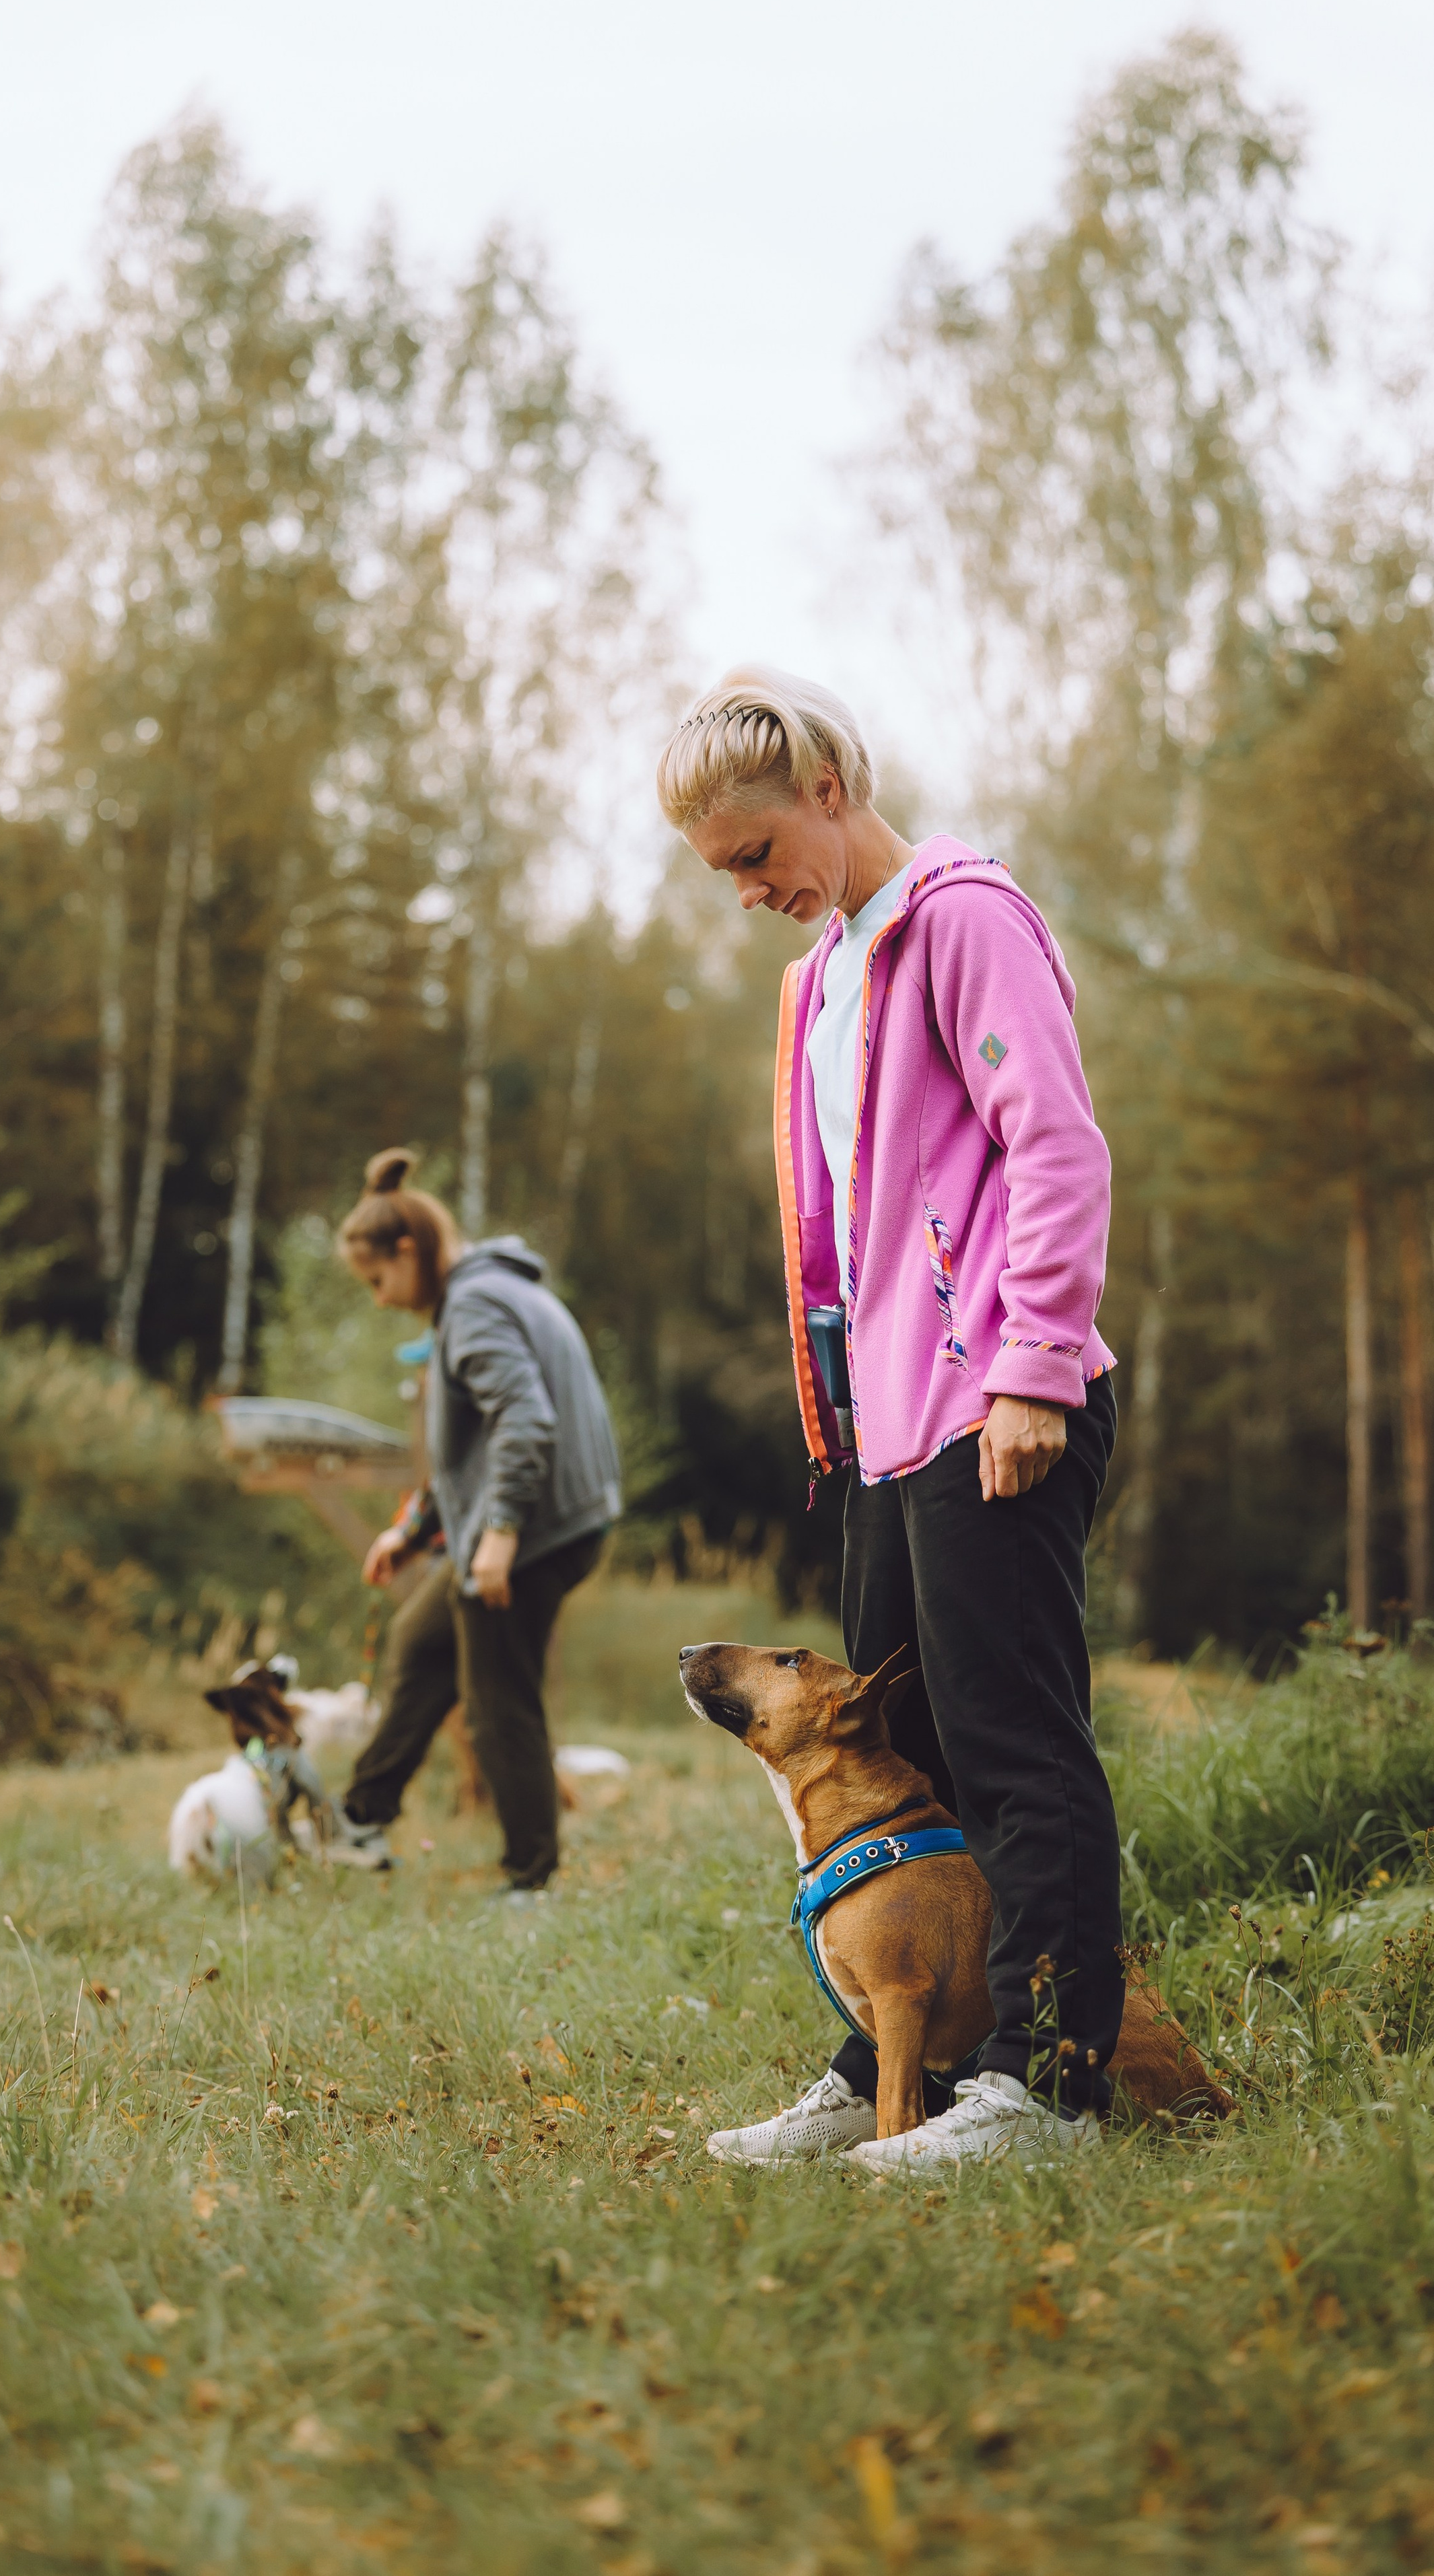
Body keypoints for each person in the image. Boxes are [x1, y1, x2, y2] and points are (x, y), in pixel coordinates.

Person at [658, 668, 1120, 2173]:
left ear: (826, 791)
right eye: (720, 872)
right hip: (882, 1431)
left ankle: (1048, 2083)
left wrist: (1034, 1365)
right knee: (903, 1754)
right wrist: (840, 1418)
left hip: (999, 1402)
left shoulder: (964, 920)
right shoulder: (824, 974)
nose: (745, 894)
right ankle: (889, 2064)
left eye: (750, 855)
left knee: (1013, 1746)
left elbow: (1050, 1144)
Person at [333, 1148, 623, 1893]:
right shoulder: (490, 1291)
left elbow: (524, 1420)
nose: (377, 1298)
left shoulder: (473, 1306)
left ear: (408, 1250)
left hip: (532, 1533)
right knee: (421, 1641)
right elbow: (472, 1441)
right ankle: (360, 1819)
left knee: (500, 1706)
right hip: (551, 1520)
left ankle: (530, 1882)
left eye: (376, 1280)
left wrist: (498, 1535)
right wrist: (414, 1529)